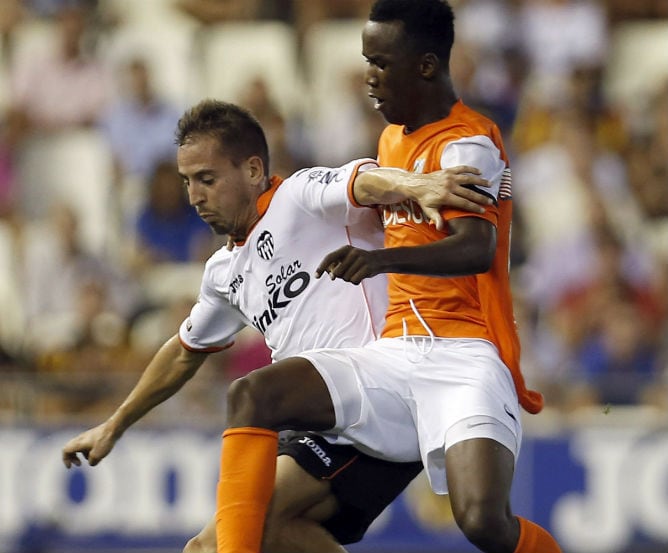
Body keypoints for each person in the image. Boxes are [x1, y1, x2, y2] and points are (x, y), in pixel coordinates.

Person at [61, 99, 493, 553]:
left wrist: (418, 183)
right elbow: (184, 351)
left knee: (219, 538)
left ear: (252, 170)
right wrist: (114, 424)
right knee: (262, 534)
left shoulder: (300, 197)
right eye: (188, 182)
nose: (194, 196)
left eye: (207, 179)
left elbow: (366, 183)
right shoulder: (224, 271)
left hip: (379, 398)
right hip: (323, 420)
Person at [213, 1, 562, 553]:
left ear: (424, 66)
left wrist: (379, 263)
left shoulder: (469, 141)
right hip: (394, 355)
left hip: (464, 353)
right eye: (365, 61)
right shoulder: (392, 141)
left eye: (380, 63)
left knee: (482, 521)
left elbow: (475, 248)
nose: (368, 77)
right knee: (255, 394)